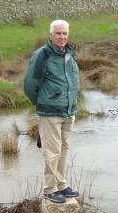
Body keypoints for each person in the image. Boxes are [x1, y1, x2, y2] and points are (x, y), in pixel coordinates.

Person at [23, 19, 80, 203]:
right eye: (58, 33)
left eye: (65, 33)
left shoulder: (69, 53)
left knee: (63, 149)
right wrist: (43, 103)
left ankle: (61, 185)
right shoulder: (42, 55)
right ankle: (50, 189)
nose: (62, 37)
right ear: (51, 35)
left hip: (68, 111)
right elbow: (29, 85)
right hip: (50, 112)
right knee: (52, 151)